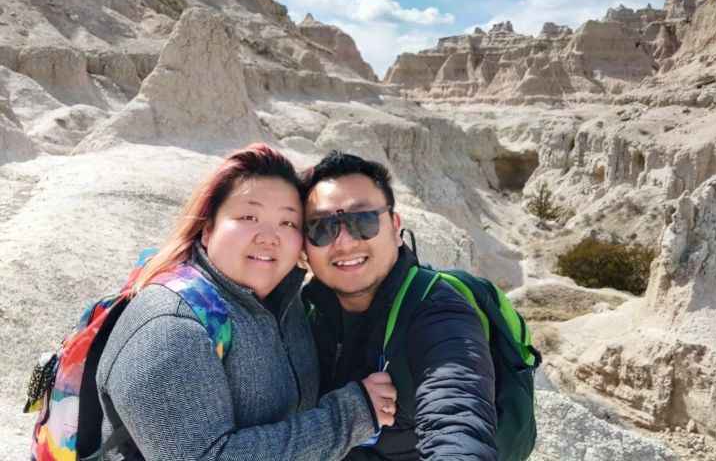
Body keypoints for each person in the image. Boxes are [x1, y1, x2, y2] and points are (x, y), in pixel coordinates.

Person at [96, 143, 396, 460]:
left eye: (287, 222)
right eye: (249, 216)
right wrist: (351, 415)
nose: (268, 236)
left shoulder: (286, 303)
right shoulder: (170, 326)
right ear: (208, 229)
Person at [301, 151, 498, 460]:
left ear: (395, 227)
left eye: (362, 220)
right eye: (322, 227)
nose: (345, 242)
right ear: (304, 245)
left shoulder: (437, 312)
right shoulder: (304, 313)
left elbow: (457, 414)